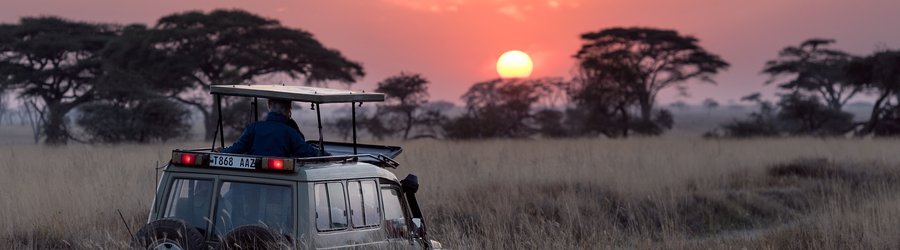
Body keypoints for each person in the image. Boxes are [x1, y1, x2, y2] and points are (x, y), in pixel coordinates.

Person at [220, 98, 325, 157]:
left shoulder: (253, 128)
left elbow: (237, 148)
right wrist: (326, 154)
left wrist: (221, 151)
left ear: (269, 105)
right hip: (282, 183)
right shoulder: (290, 132)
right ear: (289, 108)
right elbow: (306, 151)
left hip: (253, 182)